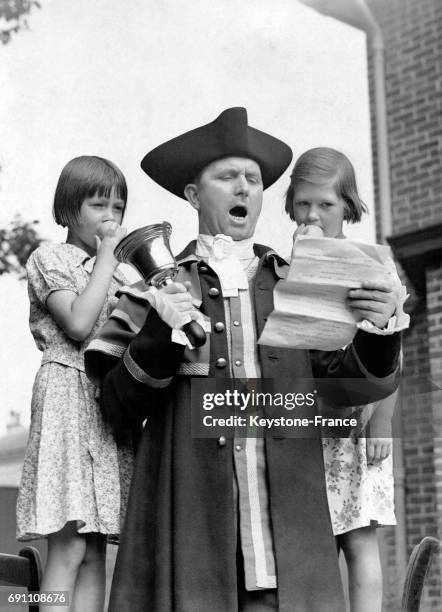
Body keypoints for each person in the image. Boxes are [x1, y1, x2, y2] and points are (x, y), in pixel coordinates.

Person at [85, 108, 401, 612]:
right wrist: (159, 335)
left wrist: (381, 329)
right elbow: (116, 407)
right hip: (188, 532)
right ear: (193, 195)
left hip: (288, 540)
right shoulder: (154, 289)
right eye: (227, 176)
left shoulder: (295, 283)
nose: (243, 188)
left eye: (252, 179)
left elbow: (349, 394)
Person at [284, 147, 409, 612]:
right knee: (307, 541)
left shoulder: (371, 265)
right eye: (303, 204)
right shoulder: (284, 262)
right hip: (306, 419)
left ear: (348, 207)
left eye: (326, 205)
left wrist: (382, 421)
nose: (313, 214)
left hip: (357, 421)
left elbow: (391, 352)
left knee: (358, 538)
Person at [16, 156, 135, 612]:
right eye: (98, 205)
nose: (110, 217)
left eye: (118, 207)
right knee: (67, 547)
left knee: (95, 551)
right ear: (69, 209)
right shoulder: (51, 258)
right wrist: (108, 255)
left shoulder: (122, 270)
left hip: (105, 404)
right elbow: (80, 323)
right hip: (67, 394)